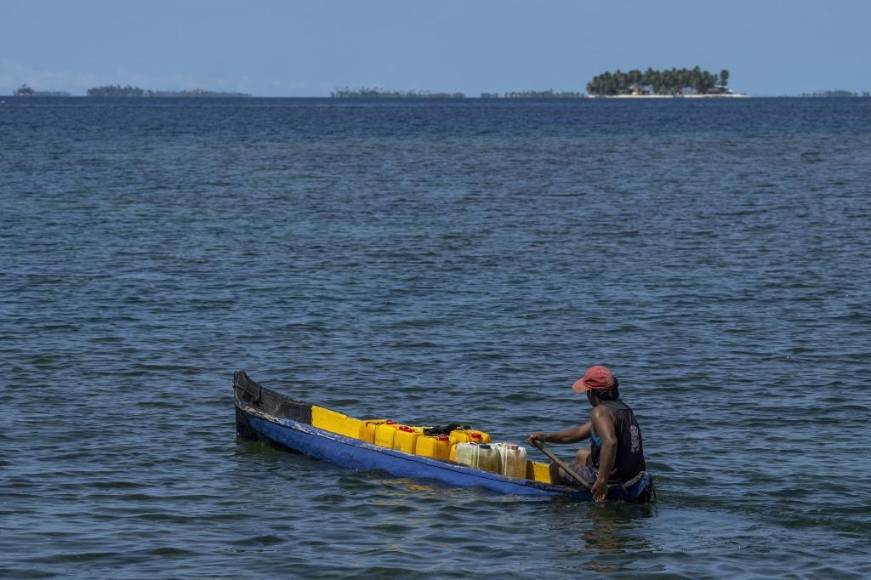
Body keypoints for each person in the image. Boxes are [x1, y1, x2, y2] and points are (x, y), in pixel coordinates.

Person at [528, 365, 651, 502]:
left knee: (555, 467)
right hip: (632, 475)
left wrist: (602, 480)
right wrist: (545, 437)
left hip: (615, 479)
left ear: (591, 393)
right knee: (582, 454)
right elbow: (578, 432)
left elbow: (611, 443)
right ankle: (584, 489)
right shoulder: (624, 409)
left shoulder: (599, 412)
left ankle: (562, 502)